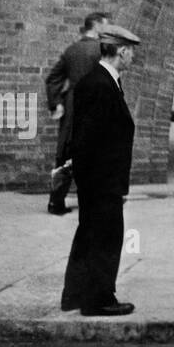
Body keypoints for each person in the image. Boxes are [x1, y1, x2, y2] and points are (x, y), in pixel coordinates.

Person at [60, 24, 139, 316]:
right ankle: (98, 299)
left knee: (88, 234)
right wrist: (101, 182)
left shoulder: (102, 82)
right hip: (102, 181)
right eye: (131, 52)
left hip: (99, 179)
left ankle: (75, 295)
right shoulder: (99, 85)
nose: (132, 58)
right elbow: (88, 138)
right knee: (106, 237)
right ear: (121, 51)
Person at [42, 11, 108, 215]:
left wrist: (57, 103)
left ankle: (56, 202)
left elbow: (52, 78)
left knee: (66, 155)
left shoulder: (71, 50)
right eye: (105, 26)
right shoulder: (103, 51)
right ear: (96, 26)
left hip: (72, 109)